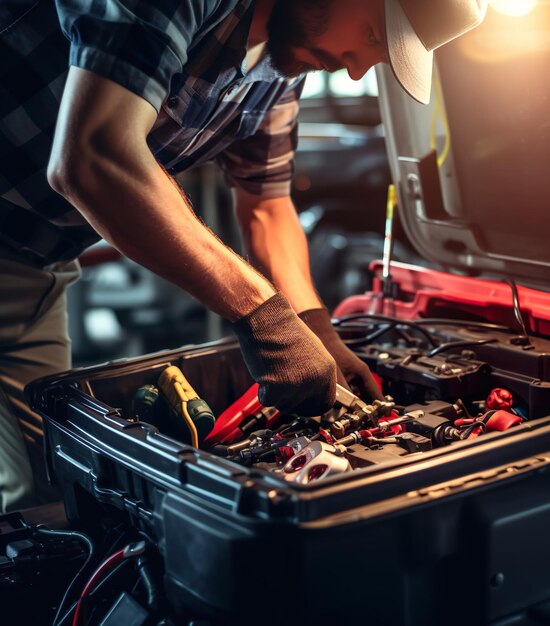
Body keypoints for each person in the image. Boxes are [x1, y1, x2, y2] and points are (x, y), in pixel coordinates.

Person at [0, 0, 487, 511]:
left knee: (49, 491)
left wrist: (315, 328)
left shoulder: (281, 66)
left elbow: (267, 207)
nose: (357, 68)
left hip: (38, 266)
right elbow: (92, 156)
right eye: (370, 36)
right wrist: (264, 316)